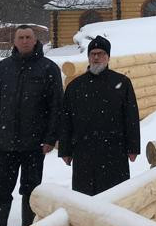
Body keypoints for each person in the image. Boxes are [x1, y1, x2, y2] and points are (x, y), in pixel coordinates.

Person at [0, 24, 62, 226]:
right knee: (0, 187)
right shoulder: (2, 68)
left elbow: (56, 107)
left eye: (28, 37)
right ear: (14, 42)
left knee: (31, 189)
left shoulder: (48, 69)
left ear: (35, 40)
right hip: (5, 143)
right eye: (21, 37)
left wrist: (50, 138)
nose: (25, 41)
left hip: (35, 144)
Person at [59, 35, 140, 195]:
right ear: (88, 57)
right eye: (93, 54)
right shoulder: (75, 86)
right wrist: (65, 150)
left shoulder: (122, 83)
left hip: (114, 150)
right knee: (85, 198)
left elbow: (130, 117)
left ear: (108, 57)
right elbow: (66, 120)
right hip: (84, 151)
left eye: (100, 53)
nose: (96, 57)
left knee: (115, 195)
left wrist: (133, 147)